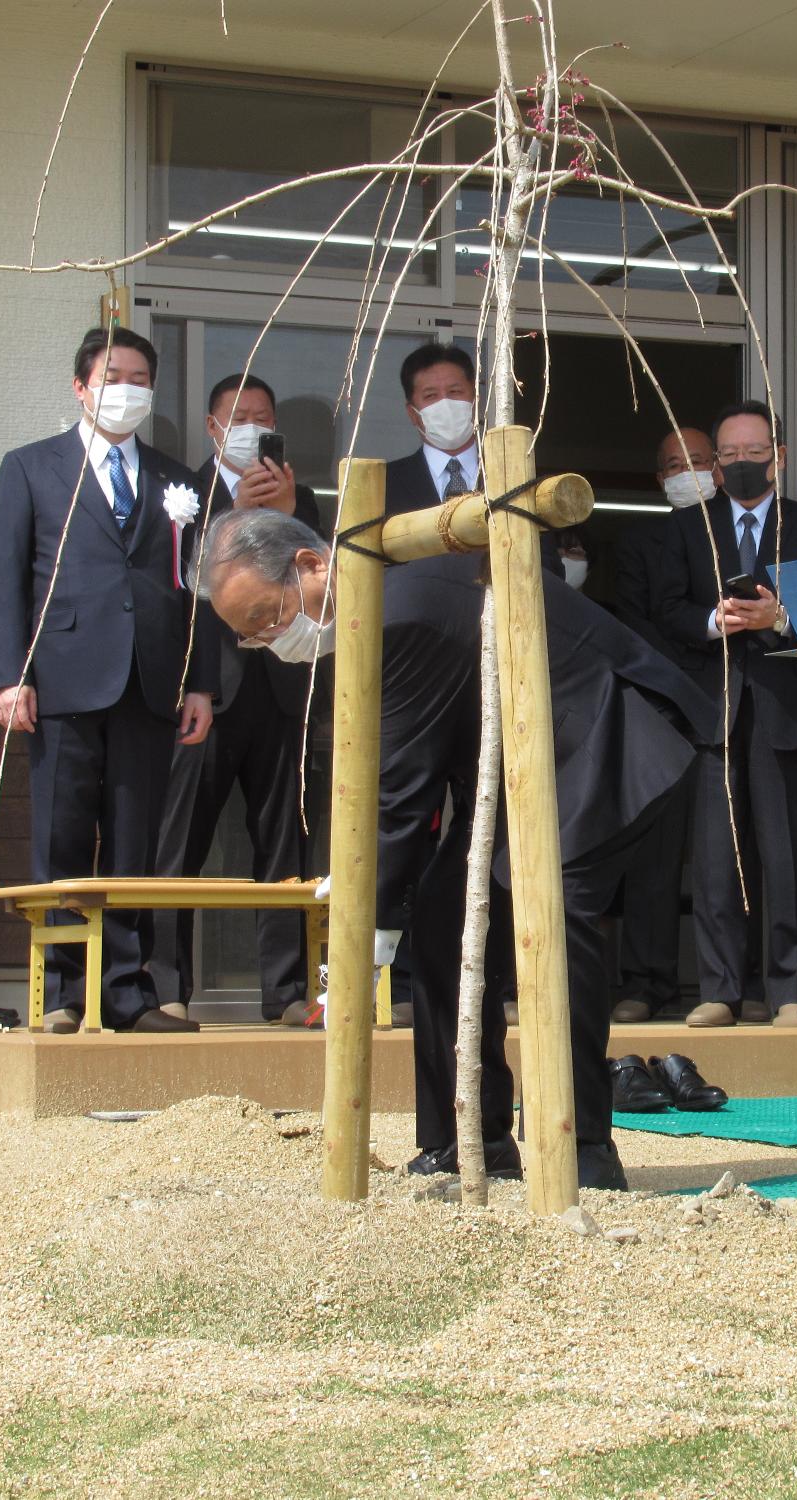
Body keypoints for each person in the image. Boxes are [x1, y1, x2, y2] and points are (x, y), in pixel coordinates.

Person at [198, 508, 715, 1190]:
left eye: (267, 616)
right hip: (515, 769)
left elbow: (402, 795)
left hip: (603, 738)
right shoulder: (377, 604)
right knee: (444, 923)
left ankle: (584, 1151)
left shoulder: (400, 610)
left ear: (309, 564)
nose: (269, 639)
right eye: (250, 636)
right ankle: (467, 1139)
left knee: (553, 928)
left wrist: (368, 928)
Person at [0, 326, 215, 1034]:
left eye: (140, 378)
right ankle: (60, 993)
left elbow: (195, 587)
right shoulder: (31, 468)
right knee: (63, 838)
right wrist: (8, 675)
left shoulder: (177, 479)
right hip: (61, 680)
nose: (127, 390)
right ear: (80, 387)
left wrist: (199, 682)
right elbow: (3, 583)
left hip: (149, 683)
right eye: (114, 376)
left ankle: (128, 991)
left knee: (135, 843)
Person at [653, 400, 797, 1027]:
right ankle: (720, 990)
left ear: (778, 458)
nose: (741, 464)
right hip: (713, 713)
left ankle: (791, 991)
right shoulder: (687, 528)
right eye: (729, 455)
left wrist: (779, 618)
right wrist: (717, 620)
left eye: (753, 453)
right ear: (713, 467)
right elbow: (666, 610)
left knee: (789, 858)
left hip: (785, 713)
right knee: (715, 858)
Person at [148, 372, 322, 1026]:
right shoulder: (181, 494)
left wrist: (281, 515)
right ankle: (167, 986)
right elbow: (178, 592)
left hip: (281, 687)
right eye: (239, 416)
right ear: (213, 428)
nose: (251, 426)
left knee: (283, 847)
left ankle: (285, 992)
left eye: (263, 416)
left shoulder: (302, 499)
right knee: (180, 844)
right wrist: (235, 517)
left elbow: (319, 575)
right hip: (207, 693)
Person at [606, 426, 716, 1022]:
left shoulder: (745, 531)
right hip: (665, 711)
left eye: (696, 461)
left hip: (746, 705)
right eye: (674, 464)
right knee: (655, 854)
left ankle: (744, 981)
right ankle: (647, 982)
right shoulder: (639, 539)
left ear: (719, 468)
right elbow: (633, 622)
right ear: (659, 478)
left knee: (739, 852)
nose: (686, 472)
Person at [384, 343, 482, 514]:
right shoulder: (383, 484)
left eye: (455, 391)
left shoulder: (512, 473)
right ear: (412, 413)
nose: (445, 403)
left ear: (476, 398)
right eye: (430, 396)